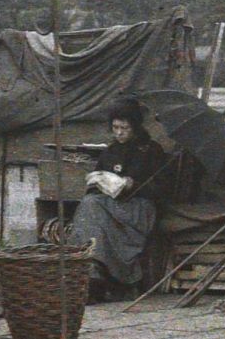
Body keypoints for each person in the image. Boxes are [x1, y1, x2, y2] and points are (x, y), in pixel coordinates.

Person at [68, 97, 171, 299]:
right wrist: (98, 181)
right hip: (111, 205)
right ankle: (92, 270)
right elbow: (98, 180)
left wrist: (135, 185)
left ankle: (93, 271)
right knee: (91, 207)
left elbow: (163, 189)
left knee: (92, 209)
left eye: (124, 128)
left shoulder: (151, 150)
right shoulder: (111, 151)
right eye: (115, 127)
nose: (119, 132)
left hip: (139, 208)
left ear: (135, 127)